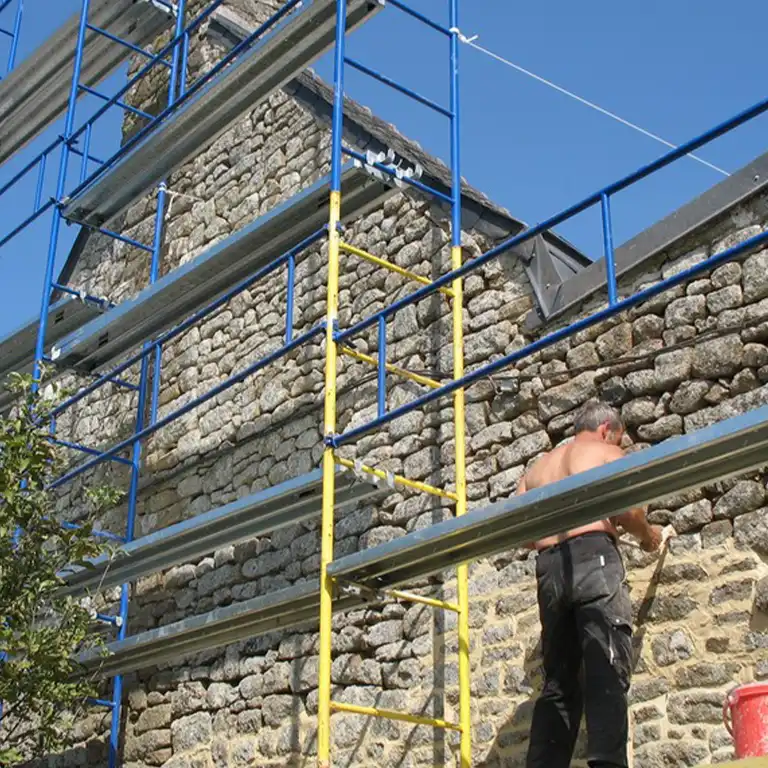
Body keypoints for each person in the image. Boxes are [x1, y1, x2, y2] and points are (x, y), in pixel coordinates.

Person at [518, 399, 663, 768]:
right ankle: (608, 763)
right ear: (605, 430)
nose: (619, 447)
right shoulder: (603, 451)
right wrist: (647, 536)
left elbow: (522, 534)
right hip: (594, 556)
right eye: (619, 439)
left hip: (549, 567)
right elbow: (629, 509)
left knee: (559, 680)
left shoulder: (538, 468)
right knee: (606, 661)